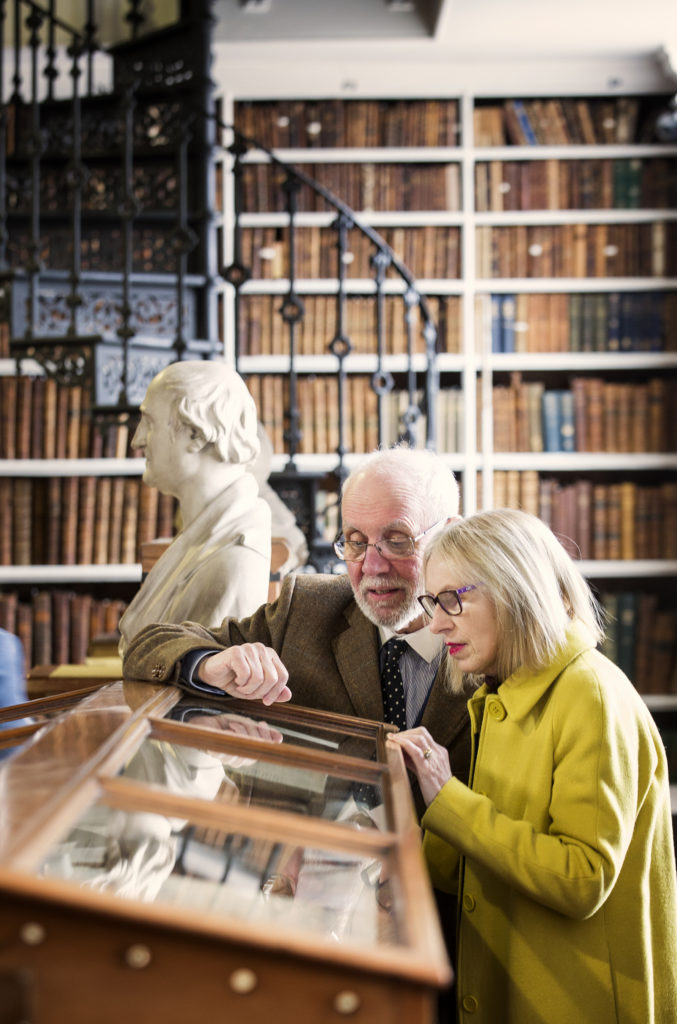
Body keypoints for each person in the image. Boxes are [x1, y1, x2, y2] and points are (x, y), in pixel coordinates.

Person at [387, 508, 677, 1024]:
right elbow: (463, 869)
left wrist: (447, 796)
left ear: (518, 592)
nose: (435, 622)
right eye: (433, 601)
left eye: (454, 598)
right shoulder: (505, 690)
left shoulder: (589, 695)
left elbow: (581, 879)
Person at [122, 444, 473, 807]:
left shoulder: (496, 637)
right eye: (354, 542)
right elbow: (148, 646)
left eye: (397, 541)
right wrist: (211, 664)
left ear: (450, 535)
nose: (371, 566)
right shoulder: (307, 608)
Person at [117, 359, 272, 656]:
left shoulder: (233, 559)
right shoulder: (201, 539)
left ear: (196, 434)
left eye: (149, 422)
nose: (137, 441)